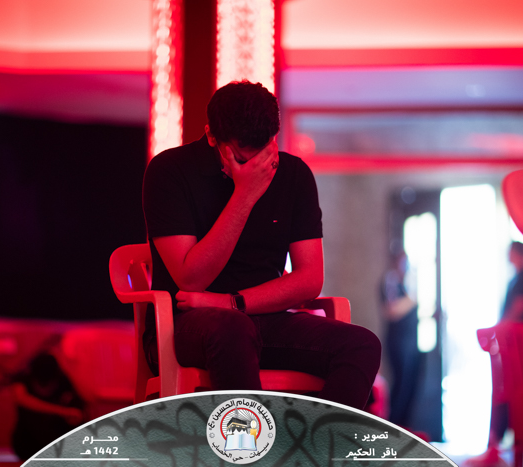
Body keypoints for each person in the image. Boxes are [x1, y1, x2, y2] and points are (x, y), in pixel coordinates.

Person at [142, 80, 381, 409]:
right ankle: (247, 441)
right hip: (185, 325)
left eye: (266, 150)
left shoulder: (293, 174)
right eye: (243, 158)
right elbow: (191, 279)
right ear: (212, 137)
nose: (258, 166)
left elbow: (310, 278)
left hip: (262, 316)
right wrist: (245, 194)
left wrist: (231, 302)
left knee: (362, 344)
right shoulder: (170, 171)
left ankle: (317, 440)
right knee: (233, 329)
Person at [466, 241, 523, 467]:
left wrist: (499, 329)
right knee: (503, 396)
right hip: (515, 351)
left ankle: (499, 448)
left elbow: (520, 307)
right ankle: (494, 446)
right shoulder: (517, 279)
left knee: (513, 396)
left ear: (517, 254)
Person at [11, 352, 84, 461]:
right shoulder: (23, 378)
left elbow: (81, 405)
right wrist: (62, 411)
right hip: (27, 442)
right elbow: (21, 399)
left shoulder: (63, 380)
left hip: (55, 441)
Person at [380, 250, 421, 427]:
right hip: (398, 342)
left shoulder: (407, 283)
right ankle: (393, 426)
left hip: (411, 342)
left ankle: (405, 426)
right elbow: (391, 310)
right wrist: (412, 300)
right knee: (400, 386)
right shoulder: (390, 280)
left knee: (411, 386)